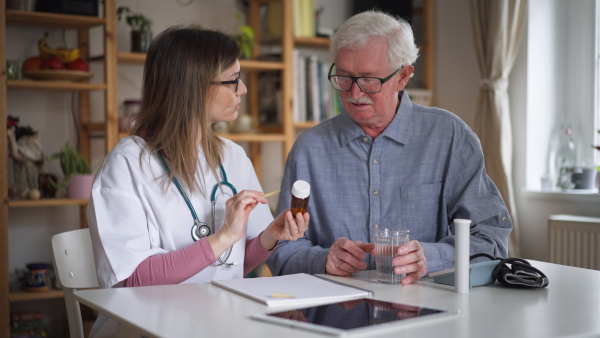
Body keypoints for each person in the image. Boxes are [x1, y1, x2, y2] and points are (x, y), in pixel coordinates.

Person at [87, 26, 309, 337]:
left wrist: (270, 236)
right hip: (145, 328)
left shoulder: (233, 157)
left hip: (219, 323)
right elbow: (132, 282)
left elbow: (231, 267)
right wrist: (222, 237)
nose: (243, 89)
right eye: (233, 81)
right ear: (192, 87)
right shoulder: (126, 165)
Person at [266, 11, 512, 285]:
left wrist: (432, 257)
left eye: (369, 80)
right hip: (337, 319)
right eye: (344, 77)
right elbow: (280, 249)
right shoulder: (309, 150)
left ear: (403, 76)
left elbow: (491, 236)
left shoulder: (450, 138)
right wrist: (322, 261)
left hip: (428, 317)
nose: (354, 94)